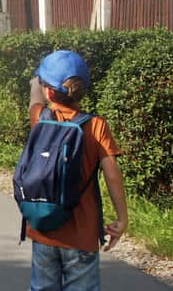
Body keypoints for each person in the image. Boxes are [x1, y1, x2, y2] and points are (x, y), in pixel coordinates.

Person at [26, 50, 128, 291]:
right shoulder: (96, 126)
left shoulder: (40, 118)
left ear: (48, 91)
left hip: (43, 228)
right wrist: (122, 218)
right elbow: (113, 176)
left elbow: (34, 99)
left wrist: (35, 81)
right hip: (82, 234)